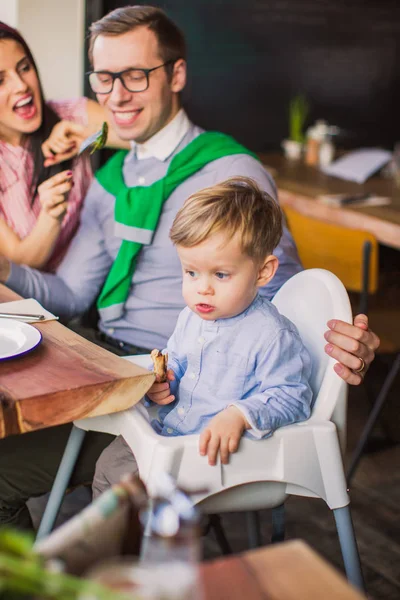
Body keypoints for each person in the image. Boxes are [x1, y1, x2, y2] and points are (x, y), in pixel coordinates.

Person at [0, 5, 379, 529]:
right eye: (105, 78)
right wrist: (2, 268)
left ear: (176, 74)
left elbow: (283, 292)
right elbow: (68, 293)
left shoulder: (228, 171)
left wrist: (340, 342)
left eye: (135, 74)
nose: (117, 95)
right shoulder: (110, 181)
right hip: (121, 368)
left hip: (184, 397)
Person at [92, 176, 313, 494]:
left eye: (221, 274)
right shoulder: (192, 316)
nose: (202, 288)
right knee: (109, 465)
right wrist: (164, 382)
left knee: (129, 491)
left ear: (263, 272)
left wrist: (240, 415)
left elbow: (292, 397)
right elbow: (180, 361)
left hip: (212, 456)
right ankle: (115, 542)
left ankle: (147, 540)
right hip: (170, 432)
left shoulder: (271, 335)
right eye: (190, 272)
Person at [0, 22, 127, 272]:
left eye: (24, 68)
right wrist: (51, 215)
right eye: (0, 80)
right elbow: (20, 261)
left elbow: (147, 133)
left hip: (90, 287)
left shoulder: (71, 113)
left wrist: (87, 138)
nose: (21, 85)